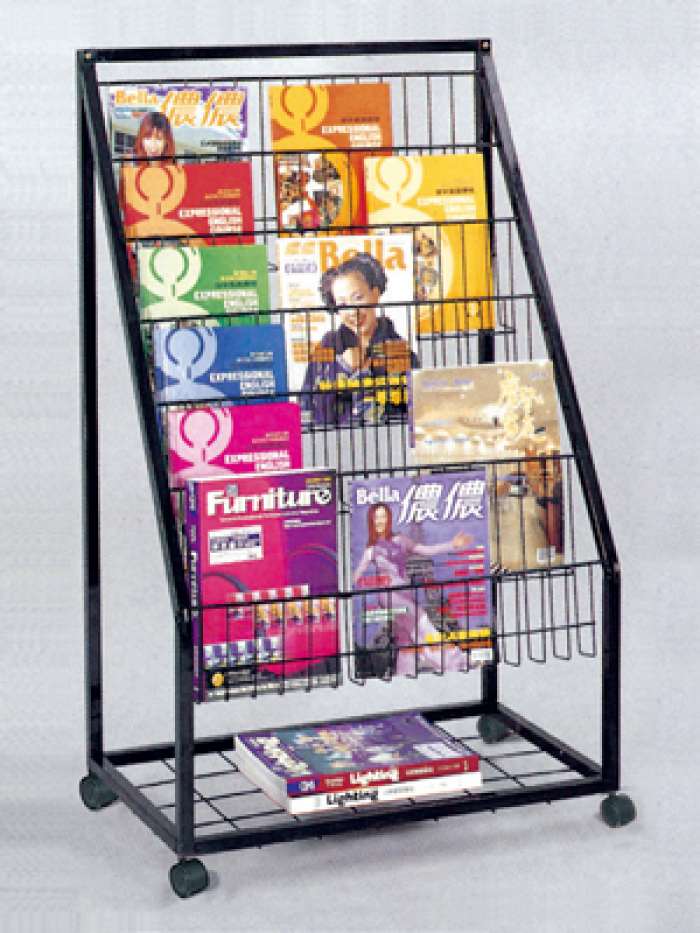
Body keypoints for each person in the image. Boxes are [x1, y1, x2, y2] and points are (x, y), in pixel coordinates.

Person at [353, 502, 472, 676]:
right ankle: (455, 661)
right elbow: (356, 576)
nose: (379, 520)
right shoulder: (371, 550)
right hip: (389, 596)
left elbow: (425, 550)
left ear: (388, 519)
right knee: (422, 621)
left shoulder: (401, 540)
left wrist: (452, 545)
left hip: (405, 594)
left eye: (383, 516)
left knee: (405, 641)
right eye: (376, 517)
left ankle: (404, 674)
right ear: (371, 521)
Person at [300, 252, 419, 426]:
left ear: (375, 294)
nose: (352, 311)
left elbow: (415, 413)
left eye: (358, 298)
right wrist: (342, 367)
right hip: (336, 441)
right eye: (342, 304)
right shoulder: (326, 347)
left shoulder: (399, 349)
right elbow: (308, 412)